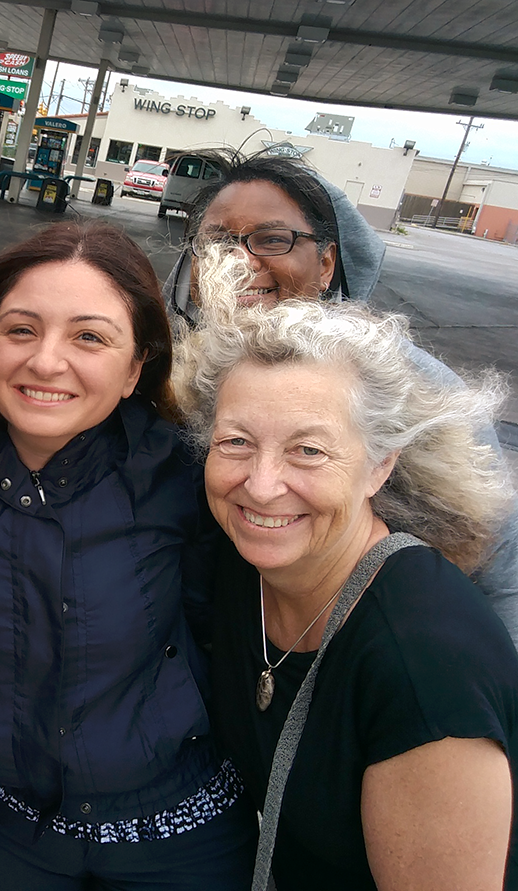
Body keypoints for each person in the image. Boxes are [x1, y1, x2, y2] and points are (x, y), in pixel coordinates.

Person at [0, 221, 255, 891]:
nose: (47, 361)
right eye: (20, 329)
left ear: (136, 364)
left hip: (180, 839)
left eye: (89, 336)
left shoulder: (194, 478)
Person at [173, 276, 518, 890]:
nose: (261, 483)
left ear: (379, 465)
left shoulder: (424, 666)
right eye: (236, 442)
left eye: (308, 450)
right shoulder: (242, 562)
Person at [161, 148, 518, 641]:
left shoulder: (411, 387)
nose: (241, 262)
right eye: (218, 243)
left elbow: (500, 575)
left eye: (272, 239)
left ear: (326, 263)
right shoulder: (183, 377)